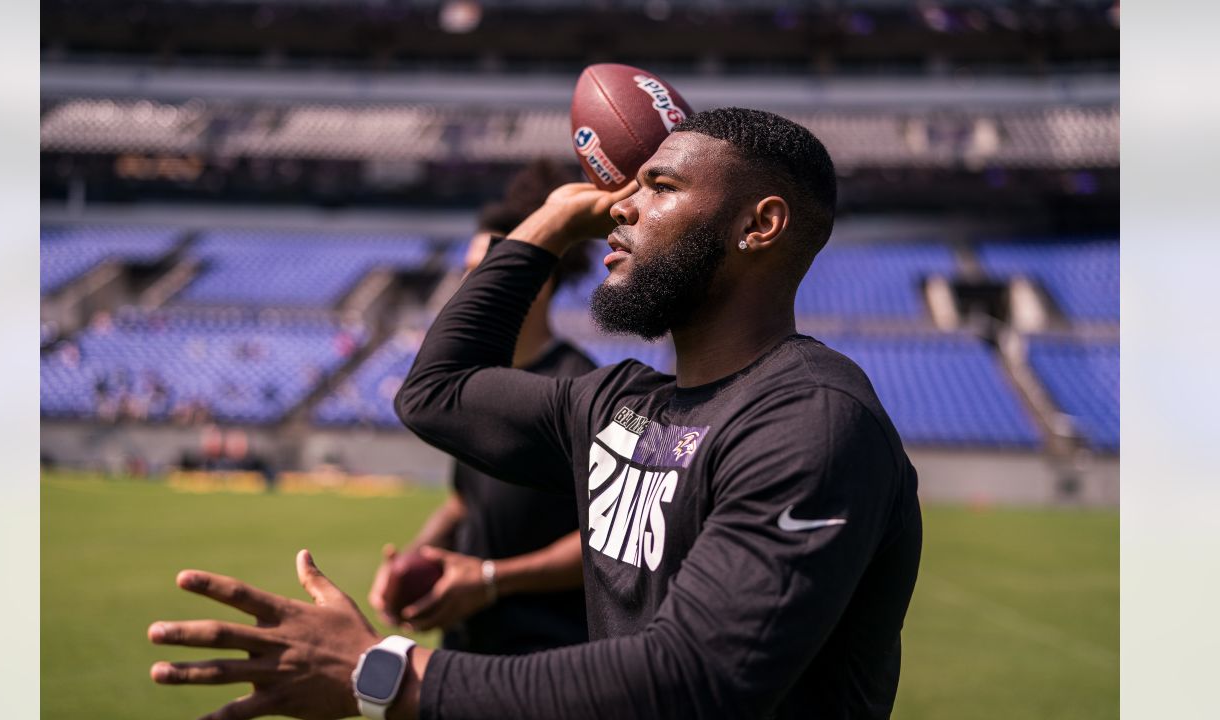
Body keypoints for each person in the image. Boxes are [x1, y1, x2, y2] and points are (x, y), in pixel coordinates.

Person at [148, 108, 923, 720]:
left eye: (661, 187)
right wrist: (549, 225)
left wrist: (383, 673)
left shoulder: (813, 420)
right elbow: (437, 393)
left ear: (760, 225)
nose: (620, 210)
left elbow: (698, 679)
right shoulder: (619, 402)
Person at [368, 160, 594, 654]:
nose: (470, 284)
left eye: (485, 269)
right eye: (468, 270)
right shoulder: (476, 383)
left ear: (534, 274)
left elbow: (607, 539)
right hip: (464, 643)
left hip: (546, 655)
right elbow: (463, 501)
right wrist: (415, 559)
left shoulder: (581, 388)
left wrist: (493, 579)